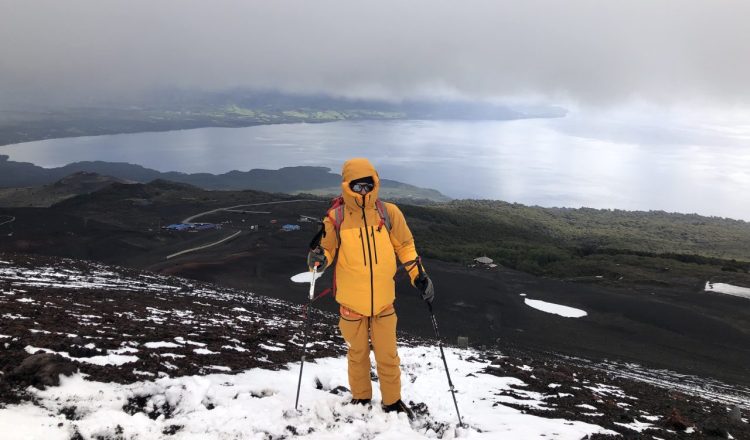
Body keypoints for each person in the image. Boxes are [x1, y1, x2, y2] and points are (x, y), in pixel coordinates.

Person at [307, 158, 434, 417]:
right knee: (358, 354)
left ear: (375, 184)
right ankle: (361, 398)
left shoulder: (389, 213)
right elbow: (327, 250)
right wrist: (318, 260)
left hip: (384, 302)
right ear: (347, 186)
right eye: (357, 186)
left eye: (368, 186)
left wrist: (418, 276)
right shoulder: (336, 217)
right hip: (351, 303)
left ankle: (392, 402)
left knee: (388, 356)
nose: (363, 192)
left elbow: (405, 247)